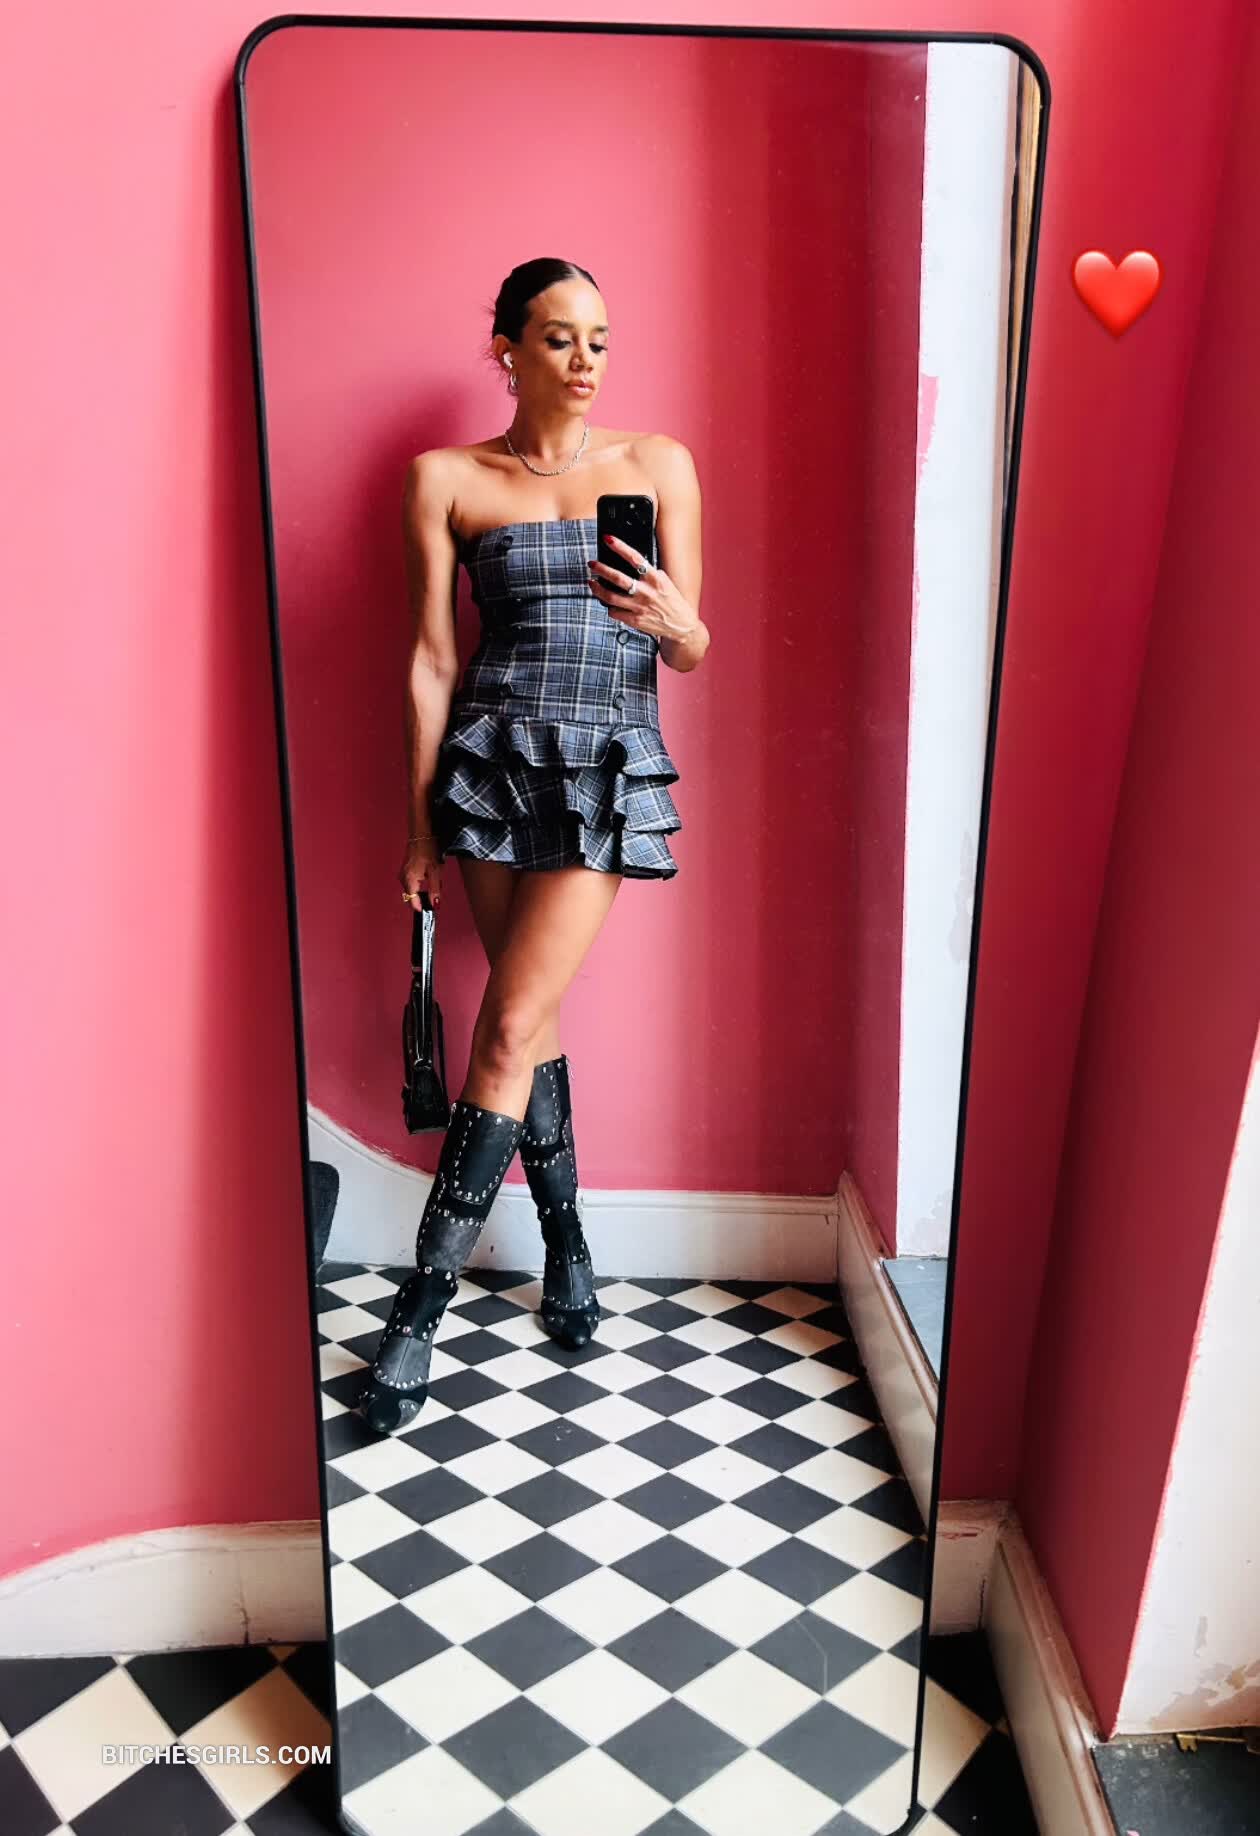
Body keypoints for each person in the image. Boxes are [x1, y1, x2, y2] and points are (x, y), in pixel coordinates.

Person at [358, 257, 710, 1434]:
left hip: (605, 763)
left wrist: (679, 623)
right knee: (532, 1020)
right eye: (559, 337)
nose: (586, 358)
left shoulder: (658, 465)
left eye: (600, 337)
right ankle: (567, 1246)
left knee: (506, 1026)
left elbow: (691, 646)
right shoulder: (445, 478)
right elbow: (430, 660)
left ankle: (416, 1314)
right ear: (506, 348)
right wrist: (419, 825)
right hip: (489, 763)